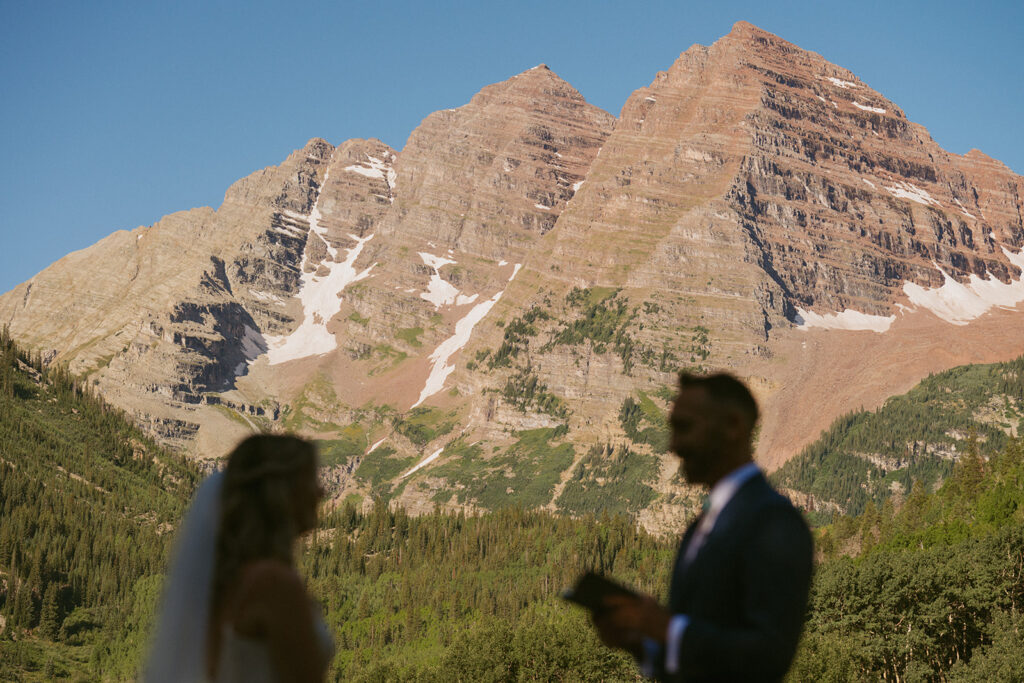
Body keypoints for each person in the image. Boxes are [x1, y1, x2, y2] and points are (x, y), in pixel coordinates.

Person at [593, 372, 813, 682]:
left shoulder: (774, 522)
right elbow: (698, 658)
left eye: (684, 428)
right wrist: (637, 643)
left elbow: (769, 655)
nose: (673, 445)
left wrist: (666, 628)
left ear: (734, 426)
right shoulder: (701, 526)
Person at [143, 434, 333, 683]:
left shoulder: (221, 584)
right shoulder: (274, 583)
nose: (322, 491)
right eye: (310, 479)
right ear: (280, 492)